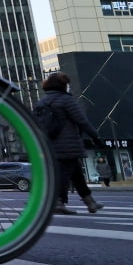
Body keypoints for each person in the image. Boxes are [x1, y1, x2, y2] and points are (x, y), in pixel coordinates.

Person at [38, 72, 104, 214]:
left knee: (76, 174)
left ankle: (90, 203)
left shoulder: (42, 101)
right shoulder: (66, 100)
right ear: (63, 85)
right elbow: (81, 121)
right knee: (64, 175)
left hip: (48, 144)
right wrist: (95, 136)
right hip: (67, 144)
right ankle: (59, 202)